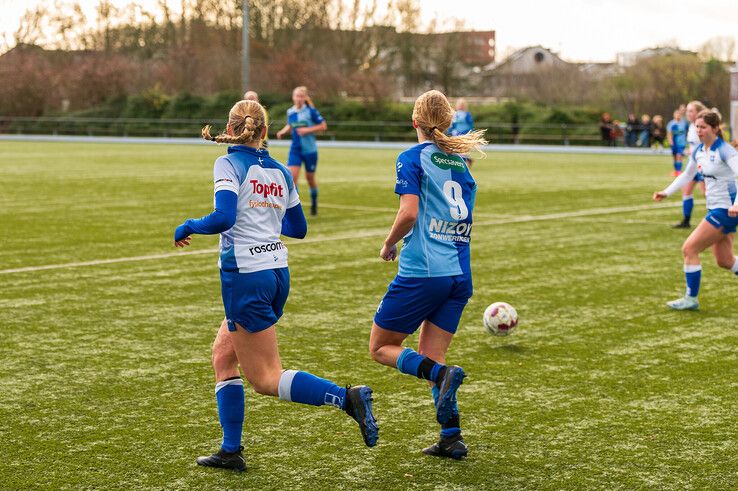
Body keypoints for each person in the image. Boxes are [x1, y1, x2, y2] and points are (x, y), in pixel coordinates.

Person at [173, 100, 378, 472]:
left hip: (246, 276)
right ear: (265, 132)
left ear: (232, 129)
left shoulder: (227, 163)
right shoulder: (281, 170)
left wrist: (188, 224)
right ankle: (230, 450)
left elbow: (223, 217)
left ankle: (346, 398)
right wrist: (262, 218)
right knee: (223, 356)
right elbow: (298, 228)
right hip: (277, 274)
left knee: (266, 378)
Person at [368, 90, 487, 460]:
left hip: (425, 271)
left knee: (380, 348)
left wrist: (389, 243)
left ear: (414, 122)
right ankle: (451, 436)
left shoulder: (411, 157)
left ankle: (439, 377)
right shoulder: (462, 164)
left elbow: (409, 214)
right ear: (449, 122)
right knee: (432, 354)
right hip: (459, 273)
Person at [653, 109, 738, 310]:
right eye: (696, 127)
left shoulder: (725, 151)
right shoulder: (700, 151)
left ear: (715, 129)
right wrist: (666, 192)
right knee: (725, 261)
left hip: (726, 211)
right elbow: (687, 175)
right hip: (717, 210)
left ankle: (691, 299)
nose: (699, 131)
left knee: (689, 248)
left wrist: (737, 204)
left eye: (703, 127)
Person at [276, 86, 327, 216]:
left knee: (310, 179)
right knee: (292, 179)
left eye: (301, 96)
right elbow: (290, 125)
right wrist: (283, 131)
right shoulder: (290, 112)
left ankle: (314, 203)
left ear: (305, 98)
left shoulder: (311, 111)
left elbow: (323, 126)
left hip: (309, 151)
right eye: (296, 96)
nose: (298, 98)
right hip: (295, 150)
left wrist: (307, 130)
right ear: (293, 97)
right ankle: (296, 210)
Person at [673, 100, 707, 229]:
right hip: (693, 164)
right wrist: (689, 151)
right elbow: (695, 146)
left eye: (691, 111)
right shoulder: (692, 126)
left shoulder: (703, 125)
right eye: (687, 111)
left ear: (698, 112)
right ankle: (686, 221)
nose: (688, 113)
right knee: (686, 190)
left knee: (707, 193)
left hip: (704, 165)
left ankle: (723, 218)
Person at [448, 98, 477, 166]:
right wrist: (450, 132)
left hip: (465, 133)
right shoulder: (455, 114)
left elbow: (470, 124)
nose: (460, 106)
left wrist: (471, 133)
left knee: (464, 149)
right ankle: (466, 160)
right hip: (456, 133)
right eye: (459, 105)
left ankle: (465, 160)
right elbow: (452, 124)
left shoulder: (467, 114)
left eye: (462, 105)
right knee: (457, 148)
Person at [667, 109, 689, 176]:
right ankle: (676, 171)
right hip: (674, 143)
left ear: (681, 115)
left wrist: (688, 141)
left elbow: (688, 132)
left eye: (679, 114)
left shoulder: (684, 123)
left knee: (679, 156)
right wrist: (670, 141)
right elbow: (669, 133)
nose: (678, 115)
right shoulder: (671, 123)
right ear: (674, 115)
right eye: (676, 114)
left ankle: (679, 171)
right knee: (674, 157)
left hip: (682, 143)